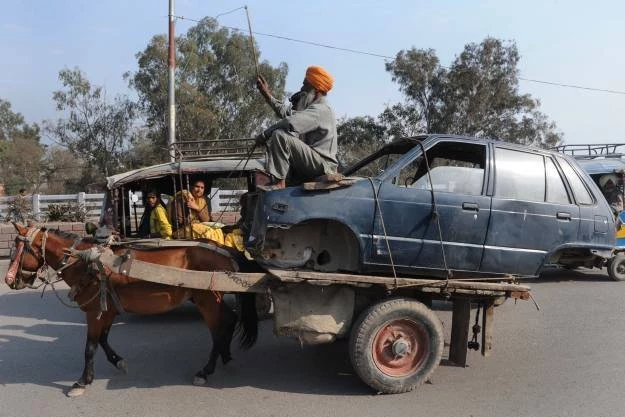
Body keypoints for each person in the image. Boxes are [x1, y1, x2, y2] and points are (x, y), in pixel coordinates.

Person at [254, 65, 339, 189]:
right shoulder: (312, 109)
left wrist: (264, 135)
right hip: (313, 163)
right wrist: (266, 94)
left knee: (280, 135)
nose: (301, 88)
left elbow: (289, 122)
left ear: (316, 90)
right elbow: (287, 114)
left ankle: (279, 183)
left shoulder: (322, 109)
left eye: (305, 85)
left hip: (324, 166)